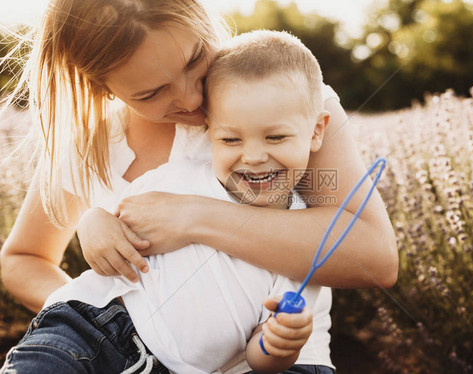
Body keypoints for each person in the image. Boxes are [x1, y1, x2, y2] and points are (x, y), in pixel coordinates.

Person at [0, 0, 397, 371]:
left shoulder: (282, 99)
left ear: (201, 18)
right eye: (152, 93)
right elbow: (23, 259)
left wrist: (195, 217)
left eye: (194, 60)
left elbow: (372, 254)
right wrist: (117, 317)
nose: (192, 99)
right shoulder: (93, 145)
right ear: (103, 88)